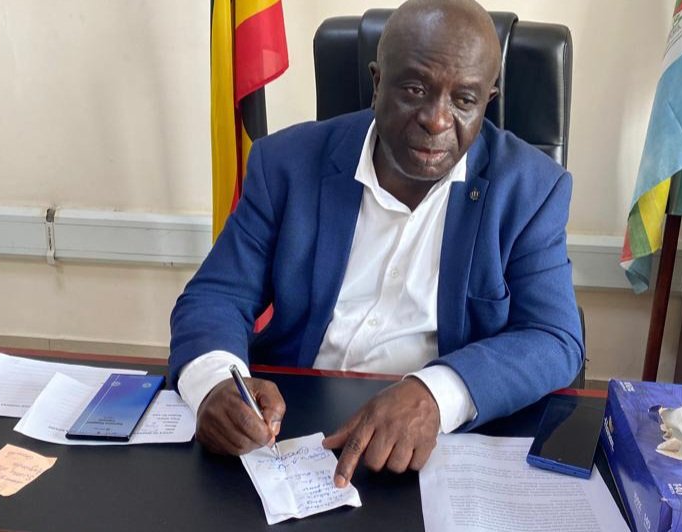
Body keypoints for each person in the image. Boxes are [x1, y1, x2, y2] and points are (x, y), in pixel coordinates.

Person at [169, 0, 583, 488]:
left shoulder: (530, 189)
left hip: (430, 444)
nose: (437, 120)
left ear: (487, 100)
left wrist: (434, 394)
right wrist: (216, 381)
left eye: (464, 100)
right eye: (415, 89)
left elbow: (553, 337)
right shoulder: (286, 164)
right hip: (289, 428)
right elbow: (218, 295)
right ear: (377, 82)